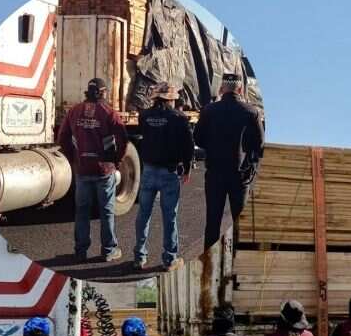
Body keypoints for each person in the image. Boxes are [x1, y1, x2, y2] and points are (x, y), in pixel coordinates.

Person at [57, 77, 128, 262]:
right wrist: (116, 161)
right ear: (104, 92)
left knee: (82, 211)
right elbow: (122, 140)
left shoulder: (74, 111)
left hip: (83, 170)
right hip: (104, 170)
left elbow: (63, 138)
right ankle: (108, 251)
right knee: (106, 211)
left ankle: (80, 251)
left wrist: (74, 158)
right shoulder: (109, 113)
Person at [194, 73, 264, 251]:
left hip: (215, 173)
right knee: (239, 222)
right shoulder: (251, 112)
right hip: (240, 175)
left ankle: (209, 261)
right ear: (240, 89)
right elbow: (260, 144)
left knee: (213, 222)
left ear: (221, 89)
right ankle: (237, 260)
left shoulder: (209, 110)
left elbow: (199, 139)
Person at [134, 82, 194, 270]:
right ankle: (169, 259)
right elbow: (188, 147)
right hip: (169, 173)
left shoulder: (145, 116)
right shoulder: (179, 118)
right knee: (169, 216)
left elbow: (143, 136)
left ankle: (139, 257)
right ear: (171, 98)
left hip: (149, 171)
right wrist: (187, 169)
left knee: (143, 214)